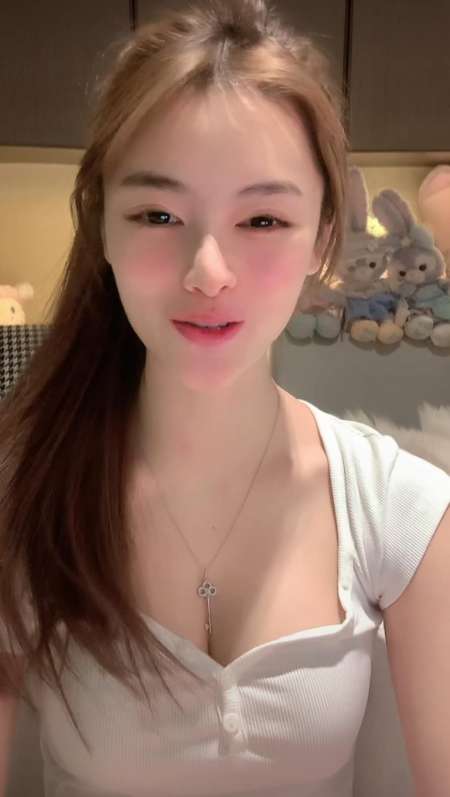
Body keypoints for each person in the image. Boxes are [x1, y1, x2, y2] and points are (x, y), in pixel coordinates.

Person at [1, 1, 449, 795]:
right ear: (101, 225)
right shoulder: (22, 494)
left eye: (264, 218)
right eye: (158, 214)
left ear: (323, 237)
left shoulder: (400, 509)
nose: (208, 270)